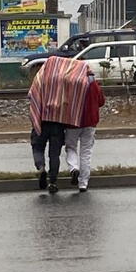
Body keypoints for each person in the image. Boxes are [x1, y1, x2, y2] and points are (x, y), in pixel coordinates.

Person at [28, 55, 91, 194]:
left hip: (42, 120)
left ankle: (40, 168)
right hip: (57, 123)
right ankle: (53, 182)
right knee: (54, 154)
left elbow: (32, 94)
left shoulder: (43, 78)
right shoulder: (64, 83)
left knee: (37, 147)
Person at [65, 70, 106, 192]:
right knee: (86, 153)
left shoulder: (70, 84)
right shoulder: (94, 85)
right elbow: (101, 102)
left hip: (73, 122)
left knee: (71, 147)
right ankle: (83, 183)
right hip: (90, 123)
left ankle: (73, 168)